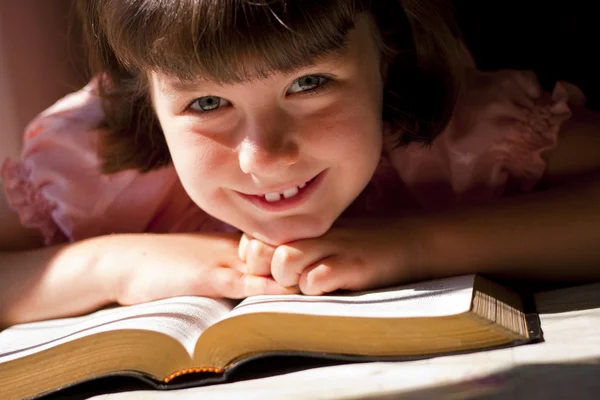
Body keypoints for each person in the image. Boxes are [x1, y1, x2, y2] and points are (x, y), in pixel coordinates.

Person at [1, 0, 599, 327]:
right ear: (144, 97)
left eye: (310, 82)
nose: (266, 156)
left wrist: (414, 246)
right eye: (207, 103)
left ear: (386, 53)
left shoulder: (458, 134)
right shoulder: (95, 170)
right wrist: (113, 266)